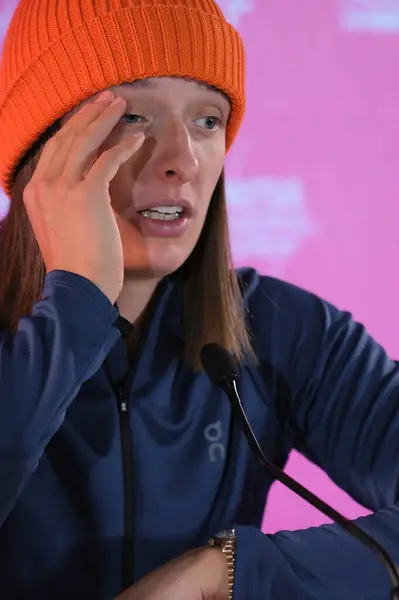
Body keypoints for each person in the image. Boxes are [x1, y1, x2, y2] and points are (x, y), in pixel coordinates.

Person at [0, 0, 398, 598]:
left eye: (207, 121)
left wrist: (228, 573)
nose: (181, 161)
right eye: (131, 116)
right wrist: (75, 306)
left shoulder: (284, 331)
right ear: (43, 150)